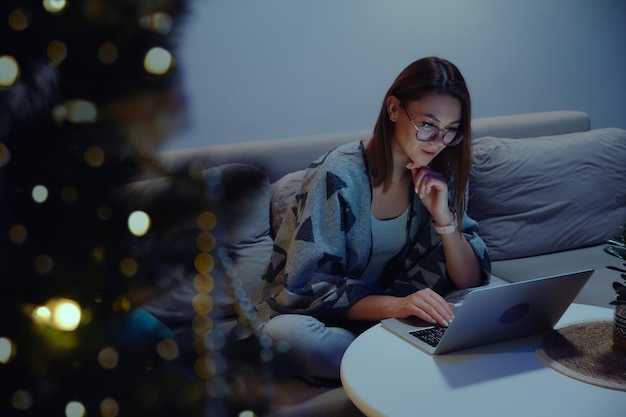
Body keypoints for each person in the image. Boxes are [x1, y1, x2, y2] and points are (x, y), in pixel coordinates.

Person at [252, 56, 491, 384]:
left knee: (495, 299)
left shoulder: (441, 170)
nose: (438, 142)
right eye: (427, 125)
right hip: (338, 318)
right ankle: (404, 362)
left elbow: (468, 280)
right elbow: (309, 289)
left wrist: (443, 216)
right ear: (394, 109)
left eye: (451, 130)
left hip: (406, 310)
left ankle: (390, 361)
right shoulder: (337, 174)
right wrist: (397, 306)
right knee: (287, 335)